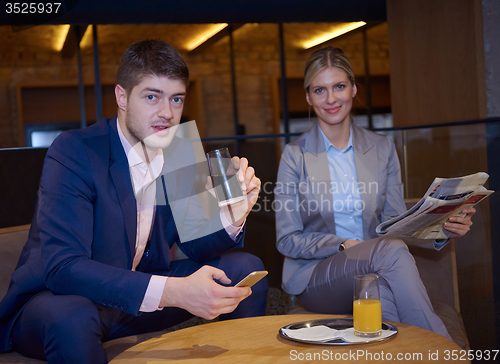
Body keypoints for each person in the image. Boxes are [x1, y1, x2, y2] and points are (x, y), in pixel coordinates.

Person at [0, 39, 267, 363]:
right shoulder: (75, 150)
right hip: (58, 301)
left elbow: (196, 245)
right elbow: (64, 268)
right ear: (122, 97)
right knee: (72, 315)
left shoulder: (179, 150)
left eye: (176, 98)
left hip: (135, 298)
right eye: (152, 96)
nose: (167, 113)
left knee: (245, 268)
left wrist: (231, 217)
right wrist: (174, 292)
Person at [274, 47, 475, 340]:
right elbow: (287, 239)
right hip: (317, 277)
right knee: (389, 250)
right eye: (320, 90)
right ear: (308, 97)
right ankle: (444, 351)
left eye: (339, 86)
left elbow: (394, 222)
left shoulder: (382, 148)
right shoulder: (295, 156)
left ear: (353, 89)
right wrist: (344, 243)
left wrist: (441, 228)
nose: (331, 98)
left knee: (381, 295)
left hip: (376, 270)